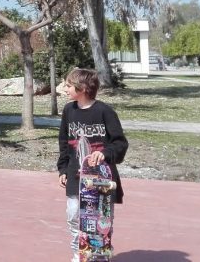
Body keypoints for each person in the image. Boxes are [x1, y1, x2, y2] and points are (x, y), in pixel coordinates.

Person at [56, 68, 128, 262]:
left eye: (69, 85)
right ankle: (79, 254)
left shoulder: (105, 111)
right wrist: (62, 169)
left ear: (84, 88)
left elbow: (120, 143)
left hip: (102, 178)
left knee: (101, 220)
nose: (66, 88)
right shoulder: (69, 111)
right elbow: (64, 141)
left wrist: (104, 153)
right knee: (73, 215)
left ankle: (100, 254)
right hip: (76, 176)